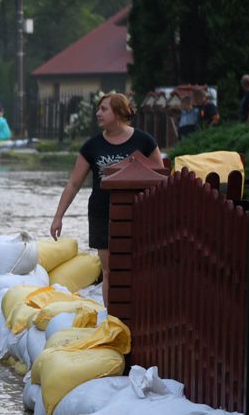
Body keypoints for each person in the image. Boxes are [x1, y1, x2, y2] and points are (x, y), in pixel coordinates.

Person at [49, 92, 163, 302]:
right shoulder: (92, 146)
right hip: (102, 213)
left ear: (119, 112)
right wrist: (58, 217)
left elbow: (160, 177)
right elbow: (74, 184)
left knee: (136, 266)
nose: (97, 113)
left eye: (104, 109)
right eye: (98, 109)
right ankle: (112, 319)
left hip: (136, 213)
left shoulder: (144, 141)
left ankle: (135, 313)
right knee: (110, 269)